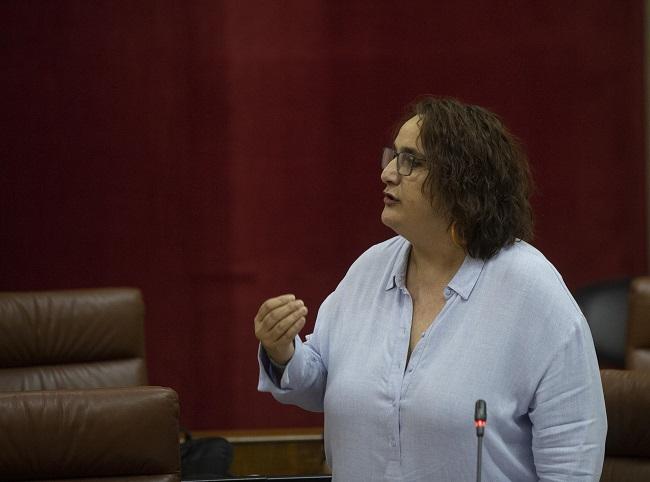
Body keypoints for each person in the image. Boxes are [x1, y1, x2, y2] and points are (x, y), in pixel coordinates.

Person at [255, 97, 607, 481]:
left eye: (410, 161)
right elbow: (323, 383)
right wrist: (283, 351)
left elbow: (572, 458)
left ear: (463, 180)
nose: (388, 173)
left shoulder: (532, 291)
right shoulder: (368, 270)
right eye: (392, 157)